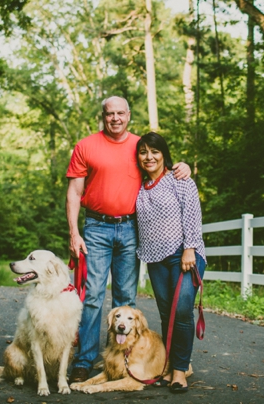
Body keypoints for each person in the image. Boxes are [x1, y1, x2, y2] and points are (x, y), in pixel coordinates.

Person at [66, 96, 191, 383]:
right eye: (110, 114)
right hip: (96, 227)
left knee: (125, 299)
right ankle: (85, 360)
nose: (115, 118)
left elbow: (158, 164)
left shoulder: (139, 146)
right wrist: (74, 233)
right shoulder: (86, 146)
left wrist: (180, 165)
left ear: (129, 115)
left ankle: (123, 361)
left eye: (120, 113)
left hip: (131, 228)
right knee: (94, 297)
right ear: (103, 116)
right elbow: (74, 192)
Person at [134, 132, 206, 394]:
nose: (149, 157)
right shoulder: (139, 186)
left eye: (154, 151)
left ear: (163, 153)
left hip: (183, 255)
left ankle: (180, 370)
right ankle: (168, 365)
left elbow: (192, 215)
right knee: (167, 314)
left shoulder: (179, 180)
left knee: (183, 310)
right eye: (143, 152)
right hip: (154, 258)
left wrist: (189, 249)